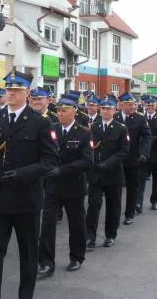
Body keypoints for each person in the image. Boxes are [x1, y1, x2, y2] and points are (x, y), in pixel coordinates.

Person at [0, 71, 58, 299]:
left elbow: (50, 160)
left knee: (28, 255)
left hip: (26, 200)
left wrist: (23, 174)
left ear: (27, 93)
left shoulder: (40, 122)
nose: (10, 93)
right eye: (8, 89)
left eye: (16, 90)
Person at [37, 93, 92, 278]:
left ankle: (77, 257)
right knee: (47, 224)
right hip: (52, 187)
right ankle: (46, 262)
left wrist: (62, 170)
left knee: (76, 224)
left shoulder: (84, 133)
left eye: (64, 110)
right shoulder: (52, 129)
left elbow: (87, 162)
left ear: (74, 112)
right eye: (58, 110)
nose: (59, 113)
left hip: (74, 187)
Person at [85, 96, 130, 249]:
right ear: (100, 109)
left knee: (113, 206)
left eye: (108, 108)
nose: (105, 111)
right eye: (103, 108)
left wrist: (107, 164)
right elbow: (88, 148)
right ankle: (90, 237)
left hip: (113, 173)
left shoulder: (121, 128)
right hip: (95, 173)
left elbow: (124, 151)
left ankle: (110, 235)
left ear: (114, 110)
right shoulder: (93, 127)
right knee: (93, 205)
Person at [116, 93, 151, 225]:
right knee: (116, 188)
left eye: (134, 104)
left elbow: (147, 136)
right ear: (122, 105)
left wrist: (144, 153)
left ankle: (129, 213)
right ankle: (115, 213)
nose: (132, 107)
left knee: (132, 187)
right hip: (117, 160)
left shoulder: (140, 119)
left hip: (133, 159)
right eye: (129, 104)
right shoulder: (115, 118)